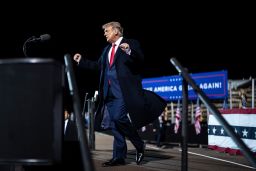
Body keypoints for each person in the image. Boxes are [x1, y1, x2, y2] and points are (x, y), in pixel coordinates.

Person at [73, 21, 167, 167]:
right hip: (108, 92)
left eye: (107, 31)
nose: (105, 33)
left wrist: (129, 50)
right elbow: (98, 66)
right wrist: (82, 61)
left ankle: (139, 144)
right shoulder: (106, 50)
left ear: (116, 31)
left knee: (118, 117)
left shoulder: (131, 43)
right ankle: (119, 157)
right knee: (115, 124)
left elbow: (140, 59)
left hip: (124, 91)